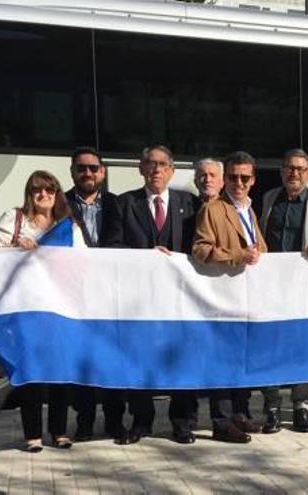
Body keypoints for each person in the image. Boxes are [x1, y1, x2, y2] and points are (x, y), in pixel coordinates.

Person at [104, 144, 199, 445]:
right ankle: (142, 421)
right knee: (140, 360)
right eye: (150, 164)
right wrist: (147, 257)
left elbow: (200, 247)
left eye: (162, 164)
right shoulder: (123, 203)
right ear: (141, 169)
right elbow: (113, 246)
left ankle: (182, 422)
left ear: (172, 170)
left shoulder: (190, 203)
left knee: (182, 360)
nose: (156, 169)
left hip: (180, 300)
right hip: (140, 300)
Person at [0, 170, 86, 452]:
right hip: (25, 310)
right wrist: (16, 248)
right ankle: (32, 435)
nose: (43, 195)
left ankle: (59, 432)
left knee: (59, 373)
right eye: (37, 190)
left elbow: (84, 262)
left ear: (57, 195)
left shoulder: (69, 227)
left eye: (49, 190)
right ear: (29, 194)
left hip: (60, 310)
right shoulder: (15, 219)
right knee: (30, 373)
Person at [258, 149, 308, 434]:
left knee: (302, 347)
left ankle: (302, 406)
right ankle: (273, 408)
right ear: (282, 171)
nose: (295, 173)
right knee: (271, 348)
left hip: (304, 289)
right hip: (271, 288)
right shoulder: (268, 200)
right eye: (290, 168)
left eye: (301, 169)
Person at [192, 151, 268, 443]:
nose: (238, 182)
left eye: (244, 177)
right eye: (233, 177)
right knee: (222, 361)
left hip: (245, 300)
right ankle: (221, 423)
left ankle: (240, 413)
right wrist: (238, 255)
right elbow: (200, 249)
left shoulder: (249, 209)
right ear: (226, 179)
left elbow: (258, 249)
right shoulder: (213, 209)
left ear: (253, 180)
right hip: (222, 298)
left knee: (241, 358)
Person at [63, 147, 125, 443]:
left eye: (93, 168)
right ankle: (85, 421)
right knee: (82, 359)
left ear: (103, 172)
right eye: (81, 168)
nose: (87, 173)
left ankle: (115, 421)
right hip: (75, 295)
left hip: (111, 294)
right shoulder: (59, 204)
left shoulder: (117, 203)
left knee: (112, 357)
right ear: (72, 172)